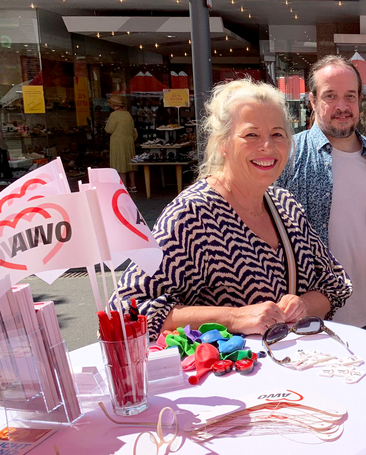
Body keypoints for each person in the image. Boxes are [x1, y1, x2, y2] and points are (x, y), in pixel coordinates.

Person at [113, 79, 352, 340]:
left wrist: (304, 305)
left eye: (277, 134)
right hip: (227, 376)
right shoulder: (192, 215)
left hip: (291, 371)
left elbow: (335, 284)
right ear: (223, 143)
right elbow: (126, 313)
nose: (268, 147)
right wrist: (233, 318)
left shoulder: (286, 204)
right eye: (251, 135)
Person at [277, 55, 366, 340]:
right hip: (305, 322)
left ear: (360, 99)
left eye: (349, 96)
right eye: (330, 96)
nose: (342, 107)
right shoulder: (288, 156)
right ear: (312, 101)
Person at [106, 95, 138, 192]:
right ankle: (133, 185)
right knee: (130, 164)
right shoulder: (127, 114)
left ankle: (123, 186)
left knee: (120, 163)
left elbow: (108, 129)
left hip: (118, 142)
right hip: (129, 141)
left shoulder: (114, 115)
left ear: (113, 105)